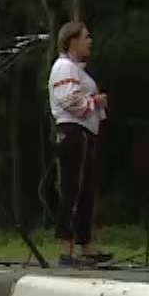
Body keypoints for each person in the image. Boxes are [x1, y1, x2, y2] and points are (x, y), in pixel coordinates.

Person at [48, 21, 112, 265]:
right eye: (86, 37)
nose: (90, 41)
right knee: (72, 190)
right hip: (73, 131)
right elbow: (69, 100)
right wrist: (95, 101)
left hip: (83, 132)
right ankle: (67, 248)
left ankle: (85, 244)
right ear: (72, 40)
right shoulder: (64, 67)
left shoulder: (77, 70)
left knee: (85, 190)